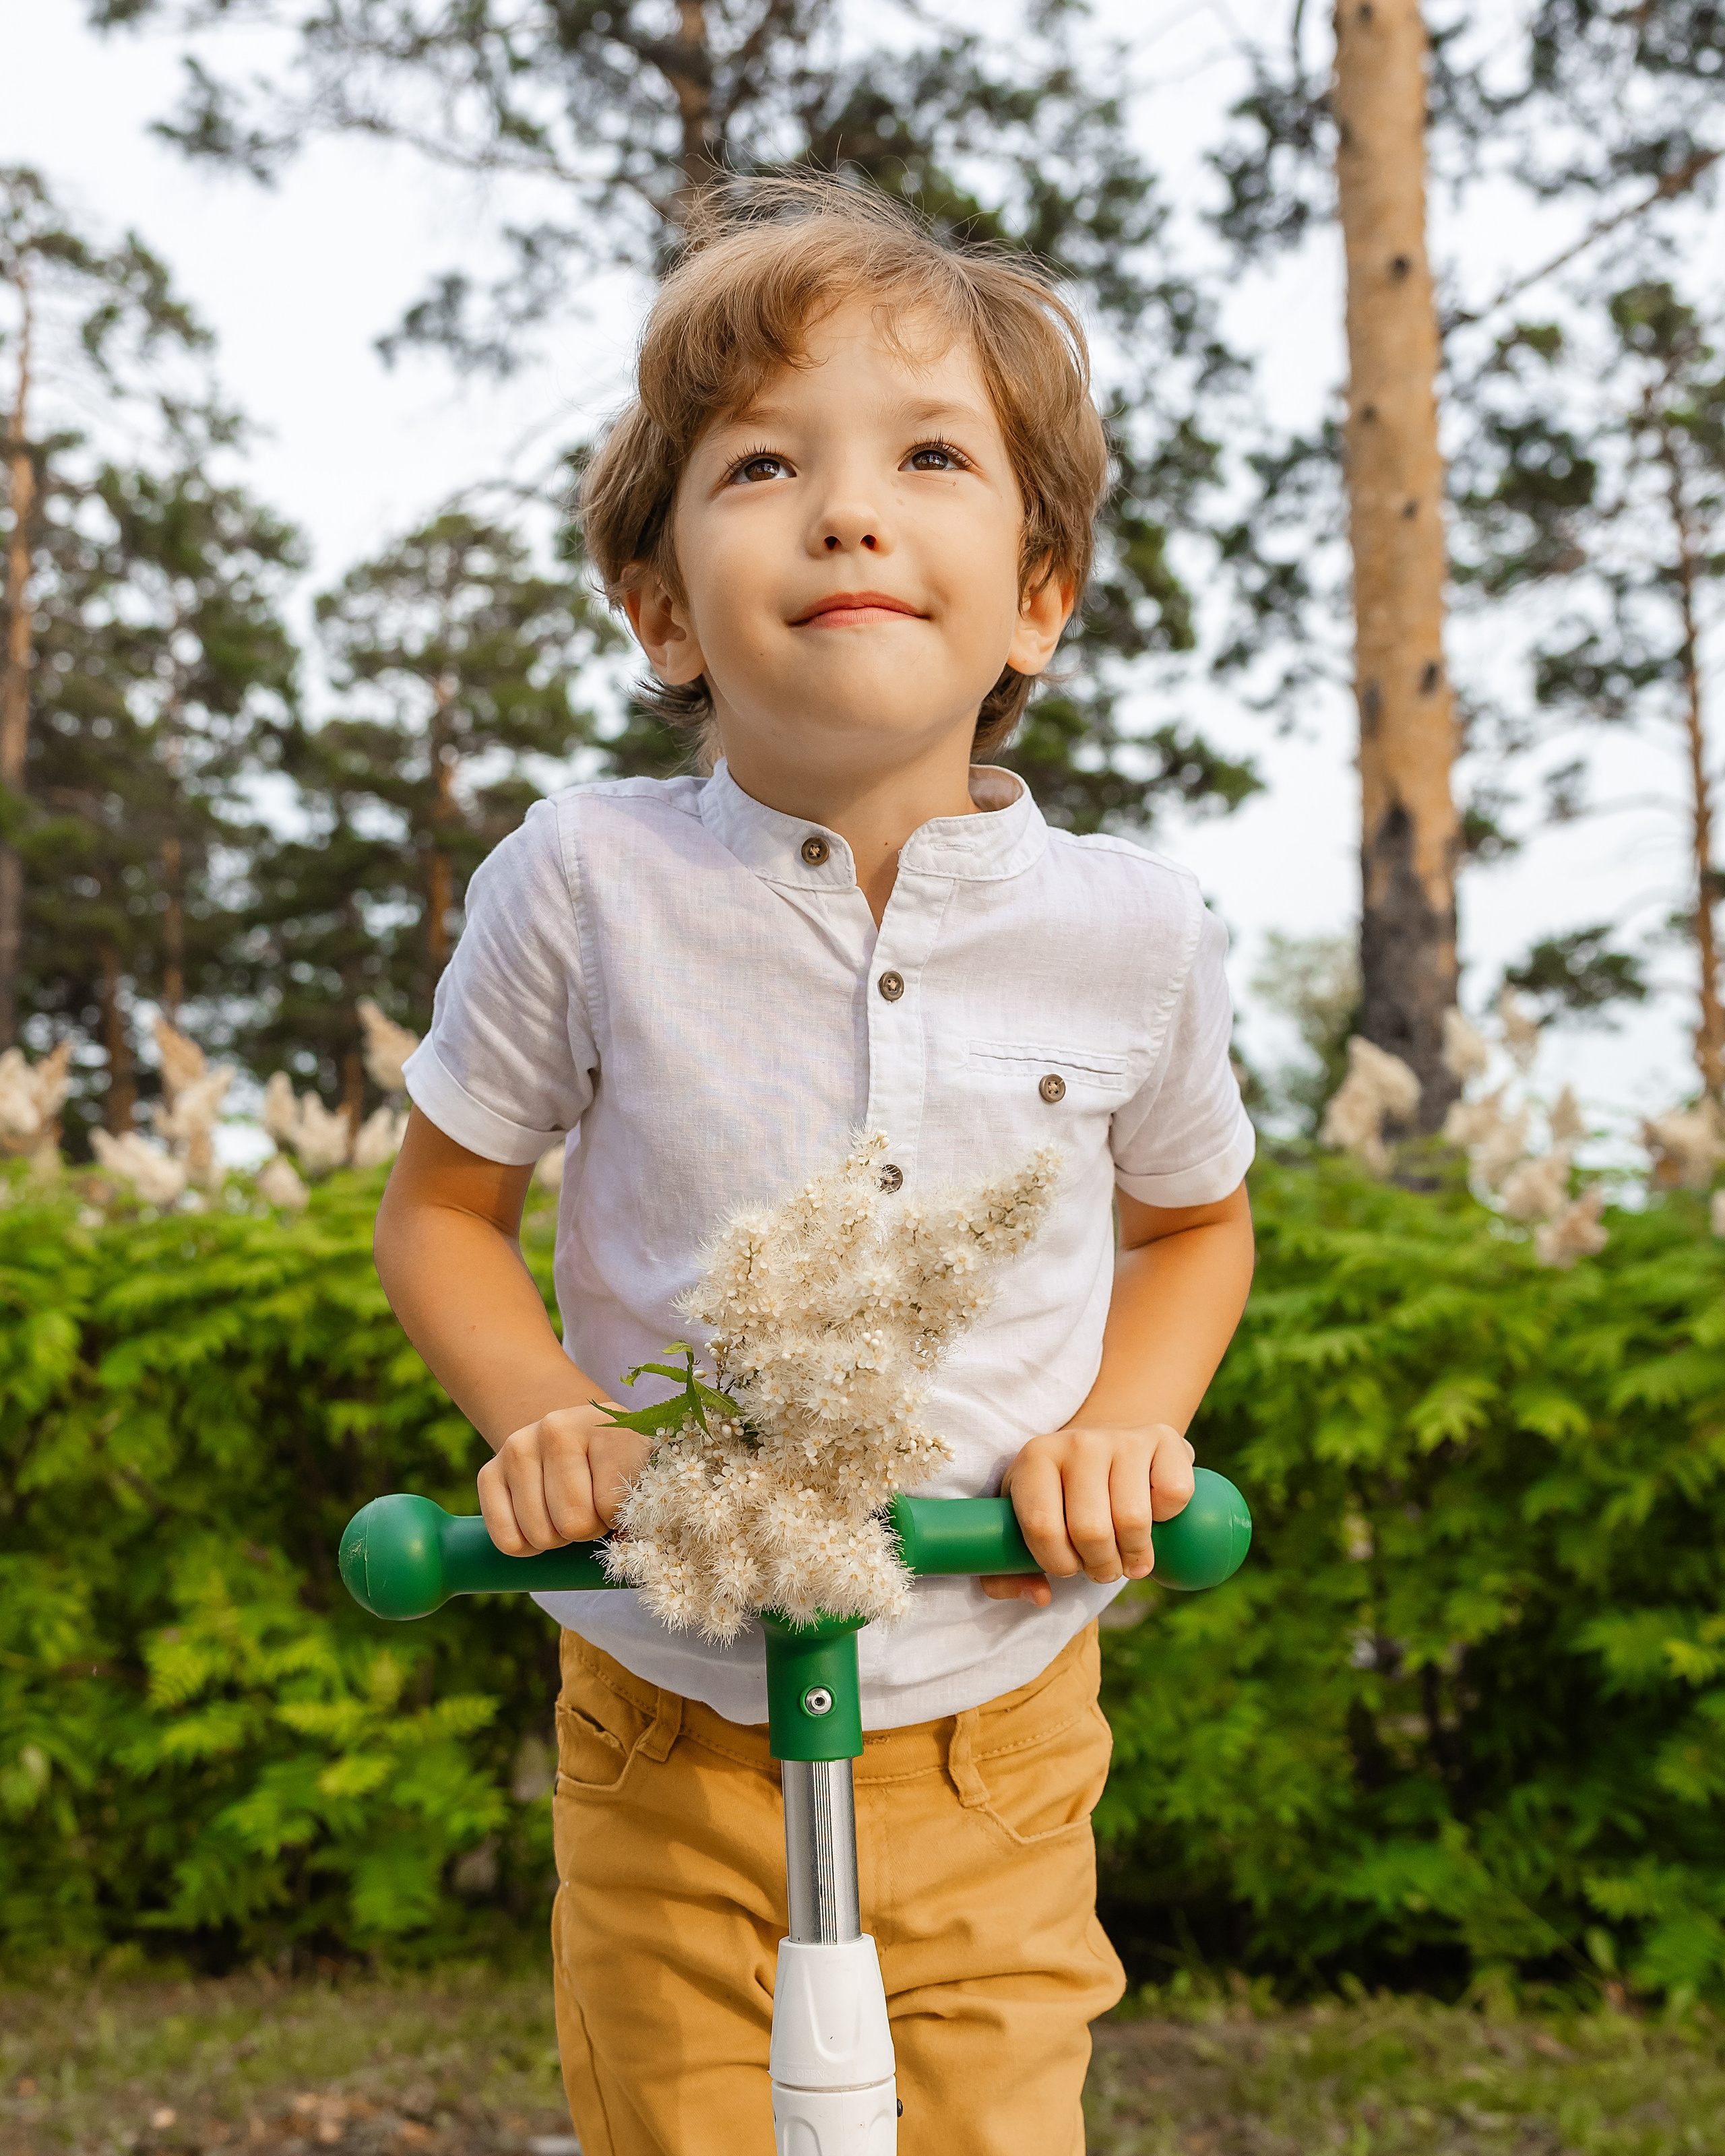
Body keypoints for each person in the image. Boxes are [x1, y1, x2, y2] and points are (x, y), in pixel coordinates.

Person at [373, 177, 1256, 2156]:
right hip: (669, 1709)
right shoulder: (587, 885)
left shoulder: (1136, 931)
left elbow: (1198, 1221)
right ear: (663, 602)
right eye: (766, 464)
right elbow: (442, 1211)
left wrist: (1127, 1421)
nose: (851, 507)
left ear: (1039, 590)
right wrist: (548, 1417)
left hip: (990, 1717)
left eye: (931, 455)